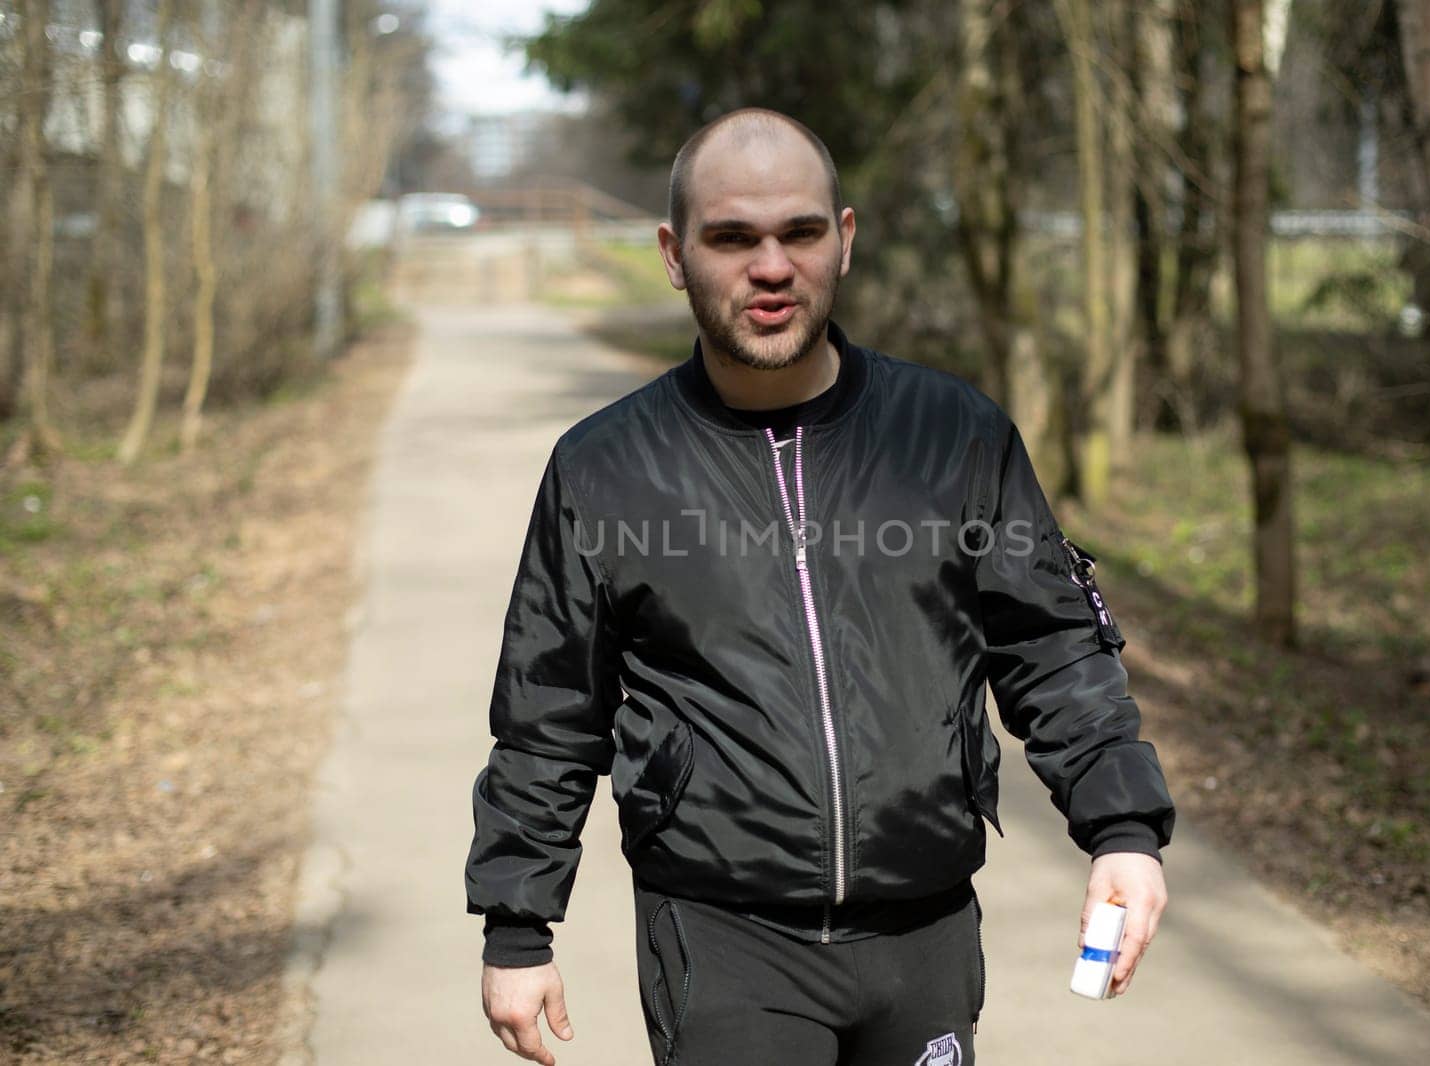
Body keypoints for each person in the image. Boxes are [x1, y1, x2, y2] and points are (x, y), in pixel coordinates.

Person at [464, 107, 1176, 1066]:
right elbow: (552, 707)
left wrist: (1122, 828)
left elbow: (1051, 647)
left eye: (799, 232)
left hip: (922, 933)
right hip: (722, 941)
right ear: (675, 254)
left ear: (843, 239)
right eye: (732, 237)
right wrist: (518, 925)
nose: (771, 267)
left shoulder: (952, 433)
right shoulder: (605, 468)